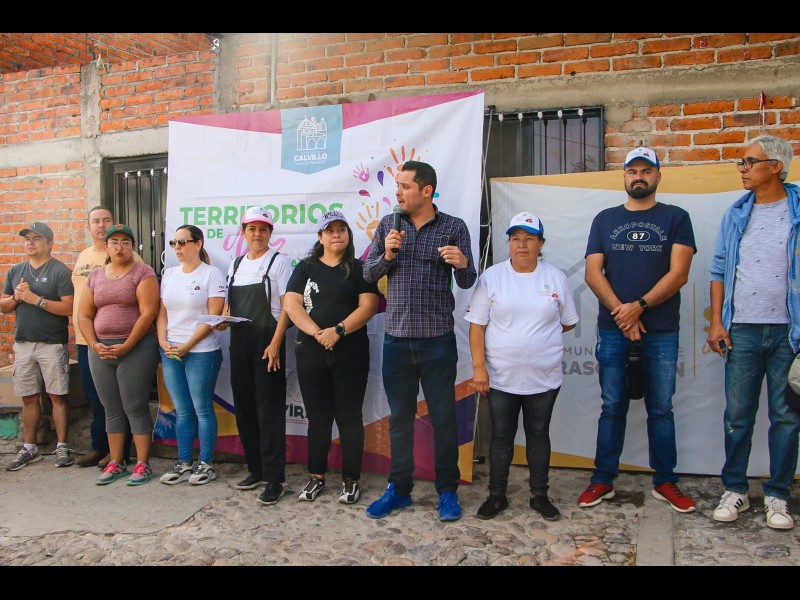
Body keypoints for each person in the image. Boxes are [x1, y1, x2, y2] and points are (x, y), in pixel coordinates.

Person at [578, 146, 698, 513]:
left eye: (646, 171)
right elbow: (592, 272)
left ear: (658, 176)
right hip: (614, 329)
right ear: (624, 176)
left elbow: (679, 273)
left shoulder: (676, 217)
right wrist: (622, 313)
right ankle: (603, 479)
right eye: (633, 171)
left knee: (661, 408)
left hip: (661, 330)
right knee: (612, 405)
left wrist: (639, 307)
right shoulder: (605, 219)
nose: (639, 177)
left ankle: (665, 481)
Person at [363, 160, 477, 521]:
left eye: (405, 186)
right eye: (397, 185)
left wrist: (462, 264)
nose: (397, 192)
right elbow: (367, 274)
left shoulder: (454, 227)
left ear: (426, 191)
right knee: (400, 420)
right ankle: (399, 489)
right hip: (396, 342)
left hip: (437, 343)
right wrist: (387, 255)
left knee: (444, 419)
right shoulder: (388, 225)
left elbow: (468, 281)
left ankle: (447, 492)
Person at [707, 134, 800, 530]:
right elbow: (718, 269)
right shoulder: (736, 213)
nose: (742, 169)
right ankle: (735, 490)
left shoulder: (797, 209)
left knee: (786, 418)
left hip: (790, 334)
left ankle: (778, 495)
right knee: (738, 415)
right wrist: (717, 322)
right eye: (741, 163)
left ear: (775, 167)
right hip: (742, 329)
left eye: (749, 162)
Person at [465, 212, 578, 521]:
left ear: (541, 244)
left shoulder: (555, 278)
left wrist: (537, 341)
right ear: (509, 243)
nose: (522, 245)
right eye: (515, 238)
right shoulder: (492, 277)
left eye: (529, 239)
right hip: (501, 377)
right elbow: (477, 325)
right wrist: (479, 368)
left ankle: (539, 496)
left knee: (538, 434)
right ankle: (496, 496)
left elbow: (567, 322)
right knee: (502, 435)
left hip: (544, 377)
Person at [284, 210, 379, 504]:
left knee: (349, 417)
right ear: (320, 237)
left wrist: (338, 331)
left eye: (341, 229)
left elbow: (369, 306)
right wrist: (317, 333)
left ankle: (351, 480)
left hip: (350, 353)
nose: (336, 234)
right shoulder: (306, 268)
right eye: (330, 230)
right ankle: (317, 476)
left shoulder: (361, 268)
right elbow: (291, 304)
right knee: (318, 418)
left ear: (348, 234)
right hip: (311, 353)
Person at [77, 224, 160, 486]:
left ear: (132, 246)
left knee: (134, 406)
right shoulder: (96, 276)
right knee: (111, 408)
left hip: (136, 348)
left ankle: (143, 464)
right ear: (107, 247)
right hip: (101, 349)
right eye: (114, 242)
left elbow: (148, 313)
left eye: (125, 242)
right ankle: (117, 462)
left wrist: (127, 345)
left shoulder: (143, 272)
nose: (119, 247)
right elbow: (84, 314)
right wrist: (93, 344)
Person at [223, 206, 292, 505]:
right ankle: (256, 469)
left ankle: (275, 479)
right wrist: (222, 320)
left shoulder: (279, 262)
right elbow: (229, 306)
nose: (257, 234)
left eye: (263, 229)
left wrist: (276, 344)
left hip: (267, 344)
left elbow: (288, 307)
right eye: (252, 228)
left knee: (269, 413)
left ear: (270, 233)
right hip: (239, 344)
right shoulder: (236, 264)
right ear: (243, 232)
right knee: (245, 409)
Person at [1, 222, 75, 470]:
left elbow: (68, 308)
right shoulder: (16, 271)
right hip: (23, 344)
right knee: (29, 397)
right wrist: (16, 297)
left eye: (36, 238)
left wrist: (36, 300)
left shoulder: (59, 271)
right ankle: (29, 448)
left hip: (52, 343)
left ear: (50, 243)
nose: (30, 243)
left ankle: (62, 446)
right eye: (27, 239)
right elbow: (4, 305)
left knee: (57, 396)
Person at [157, 225, 227, 486]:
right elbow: (162, 312)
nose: (177, 247)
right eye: (174, 243)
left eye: (182, 242)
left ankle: (206, 463)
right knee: (182, 410)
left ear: (198, 244)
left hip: (201, 351)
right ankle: (184, 461)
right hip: (171, 350)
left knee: (202, 408)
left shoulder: (211, 274)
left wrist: (187, 345)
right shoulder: (169, 274)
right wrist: (163, 340)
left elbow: (213, 317)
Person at [72, 206, 137, 469]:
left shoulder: (129, 256)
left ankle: (120, 451)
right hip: (86, 339)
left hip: (118, 340)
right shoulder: (84, 256)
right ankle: (99, 447)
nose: (101, 225)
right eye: (96, 221)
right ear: (88, 227)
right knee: (95, 396)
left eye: (106, 220)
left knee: (121, 397)